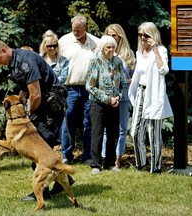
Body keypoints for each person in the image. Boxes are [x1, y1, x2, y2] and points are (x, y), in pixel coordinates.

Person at [0, 40, 74, 202]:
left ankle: (41, 191)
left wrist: (28, 113)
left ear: (4, 50)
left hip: (50, 108)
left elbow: (36, 95)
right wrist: (20, 100)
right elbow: (26, 89)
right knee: (39, 150)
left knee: (39, 150)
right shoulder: (15, 63)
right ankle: (62, 179)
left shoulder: (26, 61)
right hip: (42, 106)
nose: (0, 64)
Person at [128, 22, 173, 173]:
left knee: (154, 134)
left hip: (154, 95)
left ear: (152, 35)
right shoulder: (139, 52)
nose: (142, 38)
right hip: (141, 92)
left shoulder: (161, 50)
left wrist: (155, 50)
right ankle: (141, 163)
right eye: (140, 34)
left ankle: (156, 167)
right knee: (135, 132)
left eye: (146, 35)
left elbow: (164, 70)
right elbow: (138, 74)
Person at [58, 14, 102, 164]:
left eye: (78, 30)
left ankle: (88, 155)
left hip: (90, 89)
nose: (75, 33)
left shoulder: (96, 42)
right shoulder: (64, 41)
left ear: (85, 28)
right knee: (68, 121)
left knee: (89, 122)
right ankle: (66, 155)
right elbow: (57, 64)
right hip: (69, 88)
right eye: (73, 30)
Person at [85, 35, 127, 174]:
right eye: (108, 47)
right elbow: (90, 86)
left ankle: (110, 163)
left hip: (114, 103)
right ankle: (95, 165)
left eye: (113, 47)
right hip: (98, 103)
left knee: (113, 133)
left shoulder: (118, 62)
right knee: (97, 133)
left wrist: (118, 97)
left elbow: (123, 83)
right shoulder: (95, 61)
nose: (111, 50)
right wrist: (108, 99)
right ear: (102, 48)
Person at [101, 24, 136, 169]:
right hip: (107, 97)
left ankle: (117, 160)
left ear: (120, 37)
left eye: (114, 35)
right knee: (105, 129)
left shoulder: (129, 54)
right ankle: (104, 158)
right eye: (108, 35)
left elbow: (134, 76)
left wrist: (127, 81)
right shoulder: (103, 52)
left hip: (124, 96)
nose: (111, 38)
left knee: (121, 129)